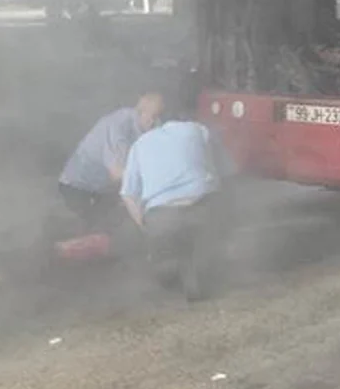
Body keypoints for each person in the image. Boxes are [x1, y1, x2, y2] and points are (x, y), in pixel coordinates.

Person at [119, 114, 236, 297]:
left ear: (154, 123)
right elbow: (226, 170)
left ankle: (168, 271)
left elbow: (127, 194)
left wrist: (144, 226)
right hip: (202, 206)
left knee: (165, 258)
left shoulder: (139, 144)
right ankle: (201, 269)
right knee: (202, 242)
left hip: (161, 216)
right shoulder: (199, 129)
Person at [58, 93, 165, 231]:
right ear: (140, 111)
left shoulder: (152, 126)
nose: (156, 122)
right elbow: (117, 172)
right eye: (153, 116)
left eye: (159, 116)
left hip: (105, 190)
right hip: (78, 187)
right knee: (99, 230)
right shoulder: (118, 125)